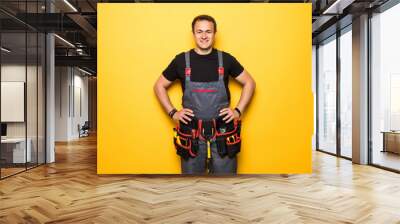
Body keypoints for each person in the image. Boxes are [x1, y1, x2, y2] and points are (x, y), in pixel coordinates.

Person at [154, 14, 255, 174]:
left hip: (223, 130)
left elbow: (250, 82)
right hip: (191, 132)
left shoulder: (226, 59)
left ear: (215, 33)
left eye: (208, 31)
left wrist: (238, 111)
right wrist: (173, 113)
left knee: (225, 183)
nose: (204, 36)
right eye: (199, 31)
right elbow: (159, 85)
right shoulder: (181, 60)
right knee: (192, 183)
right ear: (193, 33)